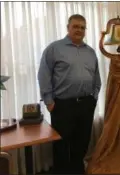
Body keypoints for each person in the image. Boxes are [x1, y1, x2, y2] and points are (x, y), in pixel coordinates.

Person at [37, 14, 101, 174]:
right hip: (63, 105)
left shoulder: (91, 52)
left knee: (82, 142)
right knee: (62, 144)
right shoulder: (54, 49)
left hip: (86, 104)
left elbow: (97, 79)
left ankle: (78, 170)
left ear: (85, 30)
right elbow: (43, 75)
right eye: (75, 26)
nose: (79, 30)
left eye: (82, 27)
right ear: (68, 28)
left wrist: (94, 98)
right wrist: (49, 102)